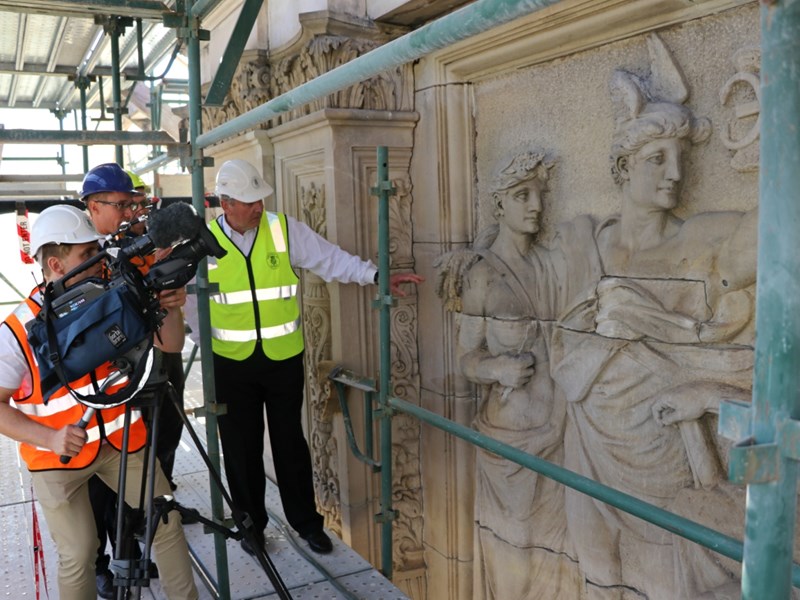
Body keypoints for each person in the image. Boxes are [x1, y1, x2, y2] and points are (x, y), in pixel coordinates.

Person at [549, 34, 756, 599]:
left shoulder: (703, 236)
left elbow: (764, 239)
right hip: (589, 440)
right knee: (597, 575)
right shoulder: (583, 242)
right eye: (656, 159)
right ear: (622, 165)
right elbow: (559, 347)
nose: (674, 174)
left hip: (667, 448)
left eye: (682, 160)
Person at [209, 158, 423, 556]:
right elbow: (181, 299)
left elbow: (331, 259)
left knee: (290, 442)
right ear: (226, 203)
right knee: (240, 448)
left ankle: (307, 523)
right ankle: (251, 527)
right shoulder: (204, 242)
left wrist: (376, 275)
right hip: (230, 364)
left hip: (282, 360)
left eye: (260, 200)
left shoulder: (282, 229)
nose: (258, 207)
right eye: (249, 201)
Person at [0, 203, 198, 600]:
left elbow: (171, 344)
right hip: (56, 458)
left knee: (167, 522)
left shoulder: (114, 296)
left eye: (97, 250)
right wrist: (51, 438)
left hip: (124, 442)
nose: (99, 260)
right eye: (87, 255)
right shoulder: (17, 332)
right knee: (79, 552)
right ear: (56, 264)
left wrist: (171, 309)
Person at [442, 150, 583, 598]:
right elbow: (465, 357)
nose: (535, 205)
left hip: (557, 431)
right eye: (522, 196)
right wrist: (498, 367)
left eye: (539, 195)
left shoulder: (548, 265)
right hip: (510, 437)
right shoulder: (481, 276)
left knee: (555, 552)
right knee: (514, 547)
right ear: (499, 205)